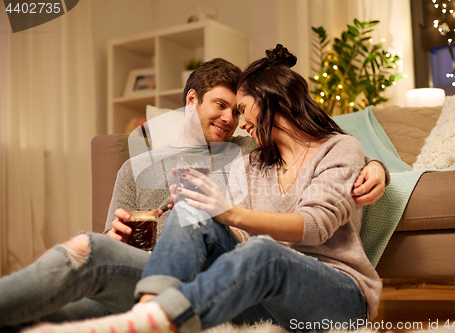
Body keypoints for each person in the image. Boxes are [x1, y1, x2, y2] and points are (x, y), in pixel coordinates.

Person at [0, 56, 386, 330]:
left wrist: (377, 167)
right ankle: (147, 312)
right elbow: (236, 238)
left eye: (240, 111)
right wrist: (116, 237)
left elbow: (327, 153)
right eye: (223, 106)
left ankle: (151, 315)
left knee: (258, 250)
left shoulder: (247, 148)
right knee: (90, 248)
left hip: (294, 282)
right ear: (192, 101)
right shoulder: (241, 163)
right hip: (191, 279)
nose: (235, 120)